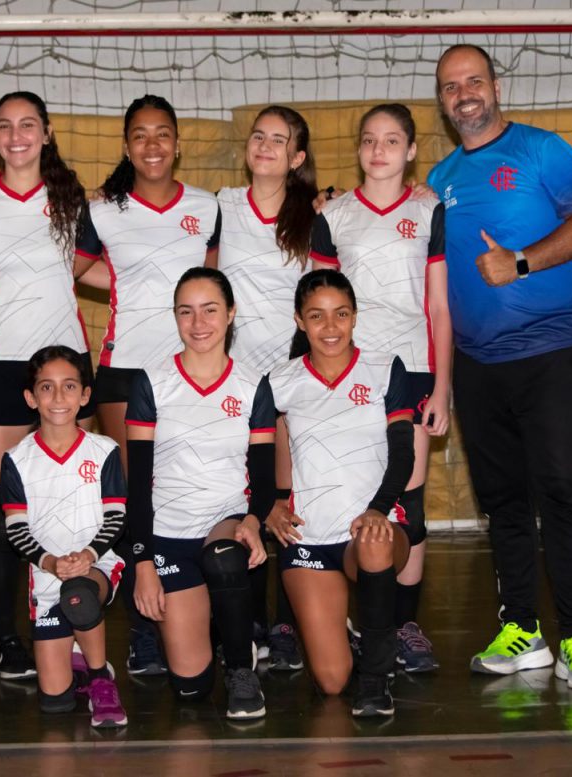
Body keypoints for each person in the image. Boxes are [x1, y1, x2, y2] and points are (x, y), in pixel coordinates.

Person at [427, 44, 572, 689]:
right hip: (478, 365)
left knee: (560, 494)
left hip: (554, 351)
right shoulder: (439, 179)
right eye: (451, 86)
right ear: (443, 101)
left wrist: (521, 262)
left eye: (474, 80)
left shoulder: (541, 149)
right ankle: (523, 630)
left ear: (495, 86)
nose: (464, 93)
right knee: (502, 502)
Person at [0, 91, 103, 681]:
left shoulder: (72, 200)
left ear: (46, 133)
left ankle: (71, 621)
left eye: (28, 125)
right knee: (4, 509)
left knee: (71, 505)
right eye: (5, 126)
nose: (16, 135)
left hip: (64, 367)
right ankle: (5, 638)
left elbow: (80, 270)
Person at [74, 95, 220, 675]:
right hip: (126, 369)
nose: (153, 145)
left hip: (193, 370)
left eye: (163, 134)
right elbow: (75, 266)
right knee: (140, 496)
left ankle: (195, 608)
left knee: (188, 488)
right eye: (141, 135)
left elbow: (215, 278)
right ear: (127, 144)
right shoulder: (104, 209)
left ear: (178, 142)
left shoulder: (208, 207)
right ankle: (142, 628)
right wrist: (126, 285)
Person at [311, 103, 451, 674]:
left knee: (407, 502)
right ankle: (360, 618)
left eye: (392, 141)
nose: (379, 150)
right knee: (356, 494)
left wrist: (442, 387)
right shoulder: (336, 214)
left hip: (413, 370)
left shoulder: (429, 210)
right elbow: (316, 304)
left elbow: (439, 306)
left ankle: (401, 624)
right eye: (369, 140)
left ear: (411, 151)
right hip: (353, 372)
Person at [126, 267, 276, 719]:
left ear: (231, 313)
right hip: (170, 537)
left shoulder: (253, 384)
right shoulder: (152, 382)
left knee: (226, 556)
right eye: (185, 312)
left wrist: (253, 520)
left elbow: (264, 477)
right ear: (174, 318)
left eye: (210, 310)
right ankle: (220, 627)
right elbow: (137, 487)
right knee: (190, 689)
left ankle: (240, 668)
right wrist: (143, 563)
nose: (198, 323)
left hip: (223, 527)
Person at [267, 269, 415, 718]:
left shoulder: (385, 368)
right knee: (331, 683)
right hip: (308, 537)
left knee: (373, 541)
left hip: (371, 530)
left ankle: (376, 677)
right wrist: (271, 504)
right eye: (317, 316)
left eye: (341, 314)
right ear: (299, 320)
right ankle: (357, 636)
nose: (330, 328)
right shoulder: (279, 380)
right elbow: (263, 457)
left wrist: (377, 510)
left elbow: (403, 456)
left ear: (355, 317)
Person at [217, 104, 319, 671]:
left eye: (279, 141)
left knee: (286, 503)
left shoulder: (315, 214)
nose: (265, 146)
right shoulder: (222, 207)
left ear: (297, 157)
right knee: (245, 500)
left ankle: (287, 623)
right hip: (232, 382)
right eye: (259, 136)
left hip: (289, 382)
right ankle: (248, 622)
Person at [0, 346, 128, 726]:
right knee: (55, 702)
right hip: (46, 574)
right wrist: (51, 563)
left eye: (69, 386)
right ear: (30, 397)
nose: (58, 398)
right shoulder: (16, 459)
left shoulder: (104, 451)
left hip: (97, 564)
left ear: (85, 395)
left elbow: (116, 518)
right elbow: (16, 530)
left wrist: (87, 556)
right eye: (46, 388)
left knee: (79, 596)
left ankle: (102, 679)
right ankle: (75, 656)